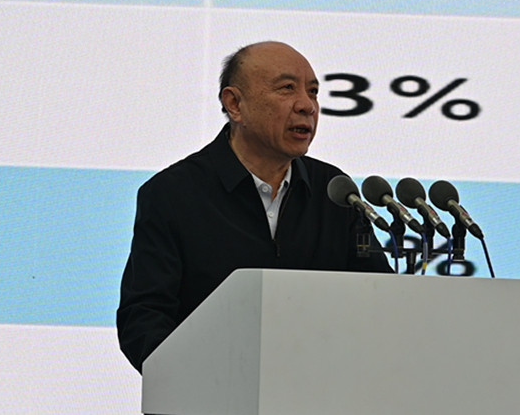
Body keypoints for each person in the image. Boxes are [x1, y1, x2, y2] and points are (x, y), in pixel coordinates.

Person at [116, 41, 393, 373]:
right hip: (211, 392)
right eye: (287, 88)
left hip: (320, 388)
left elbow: (378, 300)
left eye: (313, 92)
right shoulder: (173, 194)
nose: (307, 105)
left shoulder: (335, 192)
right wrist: (199, 381)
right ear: (235, 104)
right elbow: (144, 319)